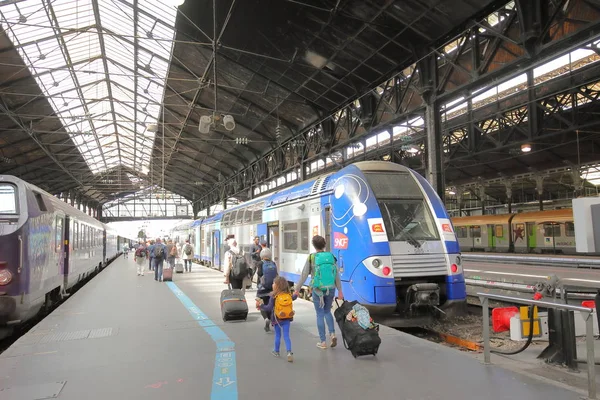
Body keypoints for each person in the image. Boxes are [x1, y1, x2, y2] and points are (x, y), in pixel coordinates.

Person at [294, 235, 344, 350]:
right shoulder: (331, 256)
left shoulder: (312, 257)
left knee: (320, 314)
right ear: (324, 244)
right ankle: (332, 334)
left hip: (318, 289)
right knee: (327, 311)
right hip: (331, 288)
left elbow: (304, 275)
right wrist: (340, 291)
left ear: (314, 245)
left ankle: (323, 342)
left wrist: (297, 289)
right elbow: (336, 274)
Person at [258, 276, 298, 362]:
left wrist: (260, 306)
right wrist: (296, 294)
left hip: (277, 319)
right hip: (287, 318)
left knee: (278, 335)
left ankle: (276, 351)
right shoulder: (288, 295)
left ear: (276, 286)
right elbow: (293, 298)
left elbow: (268, 308)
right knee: (286, 336)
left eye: (273, 283)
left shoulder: (274, 296)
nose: (272, 284)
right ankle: (289, 352)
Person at [256, 248, 278, 332]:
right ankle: (271, 319)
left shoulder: (260, 263)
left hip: (262, 289)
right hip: (272, 288)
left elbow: (259, 274)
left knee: (261, 305)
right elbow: (276, 275)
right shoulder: (273, 263)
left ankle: (266, 319)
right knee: (271, 304)